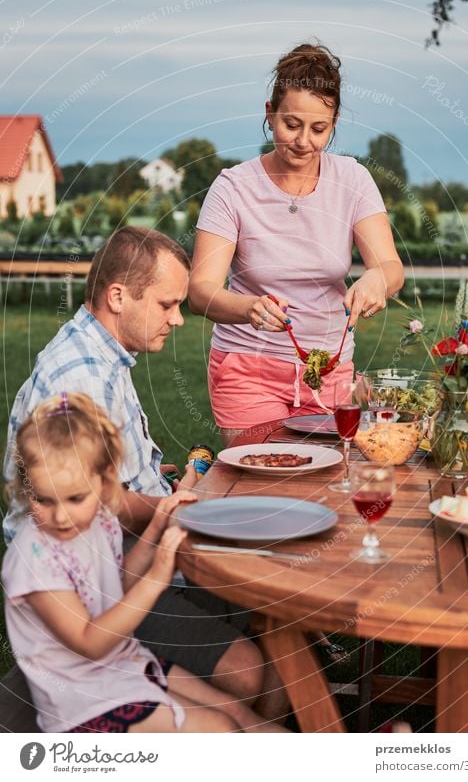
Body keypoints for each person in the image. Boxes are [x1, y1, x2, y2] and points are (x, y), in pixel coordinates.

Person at [2, 226, 286, 719]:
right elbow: (101, 504)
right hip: (96, 575)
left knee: (277, 614)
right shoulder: (81, 377)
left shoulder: (101, 355)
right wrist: (188, 509)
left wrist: (156, 482)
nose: (178, 319)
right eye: (167, 304)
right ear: (118, 296)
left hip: (127, 548)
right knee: (249, 666)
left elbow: (112, 480)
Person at [1, 393, 284, 733]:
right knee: (221, 729)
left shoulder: (98, 520)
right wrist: (158, 575)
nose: (61, 516)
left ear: (106, 481)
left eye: (76, 498)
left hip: (123, 666)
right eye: (43, 500)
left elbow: (115, 588)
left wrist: (156, 527)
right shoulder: (35, 561)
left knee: (240, 718)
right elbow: (89, 641)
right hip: (83, 701)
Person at [189, 42, 404, 444]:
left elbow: (390, 268)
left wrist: (378, 280)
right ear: (269, 113)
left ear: (334, 122)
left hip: (331, 370)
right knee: (266, 482)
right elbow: (201, 292)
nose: (303, 141)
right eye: (291, 124)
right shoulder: (232, 189)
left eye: (318, 129)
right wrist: (248, 307)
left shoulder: (353, 181)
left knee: (328, 486)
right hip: (247, 369)